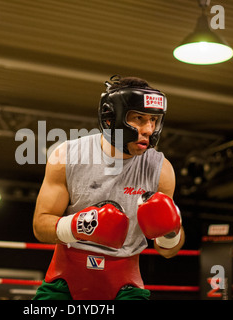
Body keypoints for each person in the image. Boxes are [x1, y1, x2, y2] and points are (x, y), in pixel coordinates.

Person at [32, 75, 185, 300]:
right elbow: (40, 226)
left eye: (154, 120)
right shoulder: (67, 156)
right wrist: (82, 225)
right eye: (139, 118)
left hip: (126, 283)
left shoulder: (160, 170)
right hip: (64, 280)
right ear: (111, 118)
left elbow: (167, 250)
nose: (148, 130)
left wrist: (171, 231)